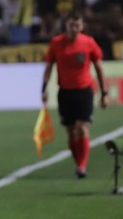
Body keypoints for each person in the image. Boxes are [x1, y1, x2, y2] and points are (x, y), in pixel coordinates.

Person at [40, 12, 110, 178]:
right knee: (71, 131)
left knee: (82, 128)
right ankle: (79, 164)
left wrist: (104, 92)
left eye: (77, 25)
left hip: (84, 91)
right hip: (65, 92)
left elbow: (99, 68)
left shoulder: (89, 42)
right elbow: (49, 67)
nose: (74, 28)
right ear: (66, 26)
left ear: (82, 26)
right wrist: (44, 89)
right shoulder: (56, 43)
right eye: (71, 25)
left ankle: (82, 166)